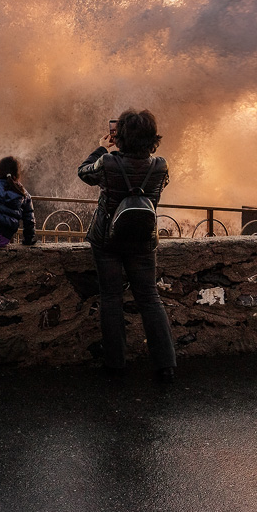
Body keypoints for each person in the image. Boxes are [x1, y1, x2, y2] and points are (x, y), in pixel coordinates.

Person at [78, 109, 177, 382]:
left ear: (118, 135)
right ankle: (166, 363)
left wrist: (101, 146)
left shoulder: (108, 162)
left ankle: (115, 363)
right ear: (151, 138)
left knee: (111, 297)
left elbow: (83, 173)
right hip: (143, 241)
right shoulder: (160, 165)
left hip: (107, 241)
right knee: (149, 298)